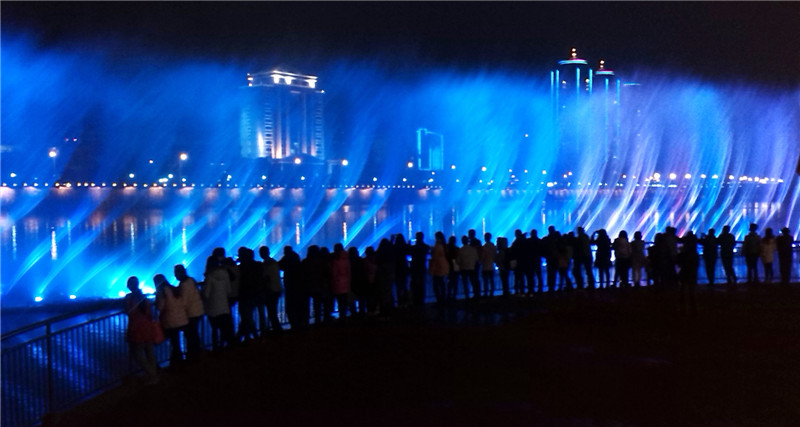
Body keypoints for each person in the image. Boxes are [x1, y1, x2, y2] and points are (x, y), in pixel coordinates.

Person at [124, 276, 159, 384]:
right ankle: (153, 374)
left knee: (138, 355)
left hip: (137, 328)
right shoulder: (144, 297)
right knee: (149, 351)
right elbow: (149, 312)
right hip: (147, 326)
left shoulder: (129, 298)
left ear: (130, 286)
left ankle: (152, 375)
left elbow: (129, 311)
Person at [155, 273, 188, 368]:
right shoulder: (173, 288)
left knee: (174, 342)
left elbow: (160, 307)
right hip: (180, 318)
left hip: (170, 320)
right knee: (176, 341)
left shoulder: (162, 292)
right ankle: (178, 361)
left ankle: (176, 363)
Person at [202, 256, 235, 350]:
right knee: (223, 328)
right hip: (224, 306)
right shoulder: (225, 273)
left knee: (214, 329)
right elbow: (229, 290)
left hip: (213, 308)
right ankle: (223, 345)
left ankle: (215, 348)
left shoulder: (210, 276)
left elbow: (207, 293)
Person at [175, 264, 204, 360]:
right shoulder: (191, 280)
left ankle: (192, 355)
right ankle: (196, 353)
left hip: (191, 313)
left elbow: (184, 301)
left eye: (176, 273)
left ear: (180, 273)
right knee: (194, 333)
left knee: (190, 335)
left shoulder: (184, 285)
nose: (175, 276)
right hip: (197, 310)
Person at [279, 245, 305, 330]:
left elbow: (280, 265)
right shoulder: (296, 257)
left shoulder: (287, 258)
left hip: (290, 286)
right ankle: (299, 323)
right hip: (298, 285)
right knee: (297, 306)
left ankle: (294, 324)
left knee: (290, 307)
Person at [259, 246, 284, 332]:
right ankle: (275, 328)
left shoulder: (266, 264)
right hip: (276, 289)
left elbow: (266, 278)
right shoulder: (274, 262)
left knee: (271, 312)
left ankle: (277, 329)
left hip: (271, 291)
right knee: (272, 311)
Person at [331, 243, 355, 320]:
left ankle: (342, 318)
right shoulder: (347, 258)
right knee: (347, 301)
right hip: (347, 283)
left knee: (340, 302)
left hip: (338, 283)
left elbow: (334, 273)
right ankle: (352, 316)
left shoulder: (336, 260)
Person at [409, 232, 430, 306]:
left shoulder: (413, 248)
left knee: (415, 284)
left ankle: (415, 299)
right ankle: (421, 299)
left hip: (414, 267)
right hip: (422, 267)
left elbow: (408, 251)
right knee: (422, 283)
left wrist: (409, 244)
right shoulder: (425, 247)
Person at [429, 231, 450, 305]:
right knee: (441, 283)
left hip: (438, 266)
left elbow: (435, 257)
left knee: (436, 285)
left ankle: (439, 300)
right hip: (443, 265)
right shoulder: (444, 245)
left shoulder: (438, 246)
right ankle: (443, 298)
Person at [457, 235, 480, 300]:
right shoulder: (473, 249)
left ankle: (467, 296)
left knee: (465, 283)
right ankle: (475, 295)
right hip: (472, 268)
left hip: (463, 268)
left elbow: (458, 260)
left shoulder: (461, 250)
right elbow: (476, 258)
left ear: (462, 241)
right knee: (473, 282)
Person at [480, 232, 497, 297]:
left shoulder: (484, 247)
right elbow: (495, 255)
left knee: (485, 281)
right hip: (491, 266)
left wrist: (481, 261)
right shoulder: (493, 246)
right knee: (491, 280)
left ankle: (486, 292)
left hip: (485, 266)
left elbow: (482, 257)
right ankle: (492, 291)